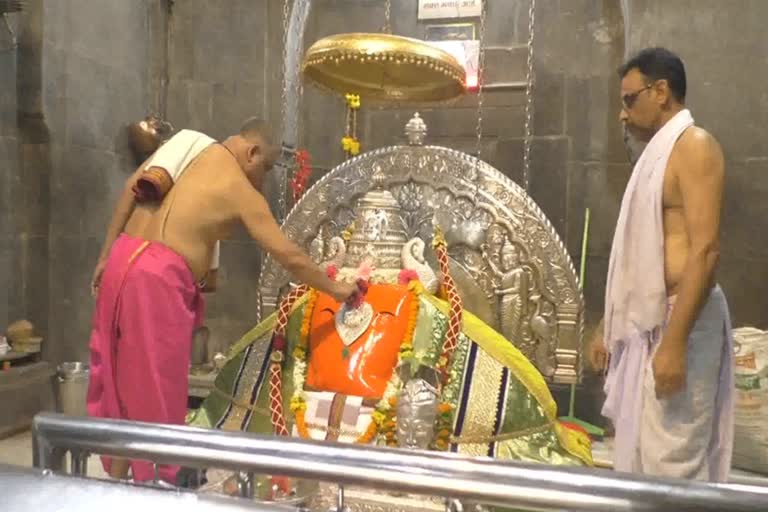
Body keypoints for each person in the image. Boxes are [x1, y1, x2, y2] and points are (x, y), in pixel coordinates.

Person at [87, 118, 355, 484]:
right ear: (252, 151)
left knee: (121, 382)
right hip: (157, 279)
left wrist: (105, 256)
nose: (262, 177)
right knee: (156, 388)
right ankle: (153, 488)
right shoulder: (237, 187)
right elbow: (287, 255)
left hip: (122, 259)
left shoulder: (188, 147)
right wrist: (336, 289)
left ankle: (117, 484)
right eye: (265, 168)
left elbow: (131, 189)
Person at [589, 48, 733, 481]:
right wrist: (609, 325)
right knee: (639, 457)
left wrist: (673, 341)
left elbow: (705, 251)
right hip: (651, 322)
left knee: (673, 462)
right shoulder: (655, 156)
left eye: (629, 99)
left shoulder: (695, 147)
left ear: (662, 91)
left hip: (682, 321)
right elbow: (638, 254)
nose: (622, 113)